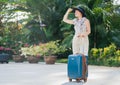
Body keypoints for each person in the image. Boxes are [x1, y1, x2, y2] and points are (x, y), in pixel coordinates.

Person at [63, 6, 91, 82]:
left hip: (83, 39)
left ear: (81, 13)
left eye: (76, 11)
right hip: (76, 39)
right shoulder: (75, 21)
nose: (75, 13)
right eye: (75, 11)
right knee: (75, 55)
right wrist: (68, 11)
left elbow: (89, 31)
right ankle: (76, 74)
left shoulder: (86, 21)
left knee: (84, 56)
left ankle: (84, 75)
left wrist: (83, 34)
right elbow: (64, 19)